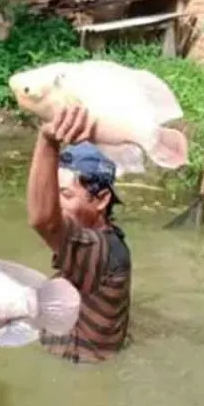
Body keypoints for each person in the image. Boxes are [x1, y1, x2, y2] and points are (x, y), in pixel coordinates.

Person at [26, 104, 132, 364]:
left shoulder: (102, 249)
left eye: (66, 195)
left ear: (101, 199)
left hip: (79, 373)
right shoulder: (95, 244)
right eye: (55, 194)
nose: (57, 205)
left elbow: (43, 220)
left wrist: (48, 140)